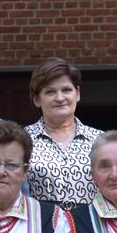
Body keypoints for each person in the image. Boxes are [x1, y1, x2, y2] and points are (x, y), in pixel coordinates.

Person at [24, 57, 102, 208]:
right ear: (37, 99)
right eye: (50, 92)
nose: (60, 98)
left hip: (91, 221)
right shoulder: (22, 141)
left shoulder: (101, 140)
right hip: (41, 221)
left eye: (66, 90)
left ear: (77, 93)